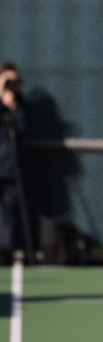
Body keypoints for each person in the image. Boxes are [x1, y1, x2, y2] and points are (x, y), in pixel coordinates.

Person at [0, 61, 30, 263]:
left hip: (10, 169)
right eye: (7, 80)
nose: (12, 85)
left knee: (10, 214)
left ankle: (6, 252)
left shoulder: (21, 105)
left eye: (15, 81)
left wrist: (12, 107)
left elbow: (24, 129)